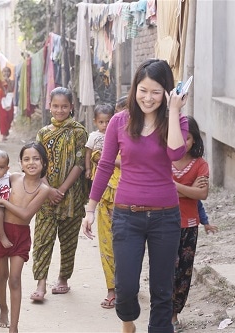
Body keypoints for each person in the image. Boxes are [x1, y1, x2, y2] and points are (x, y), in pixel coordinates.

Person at [82, 59, 189, 333]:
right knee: (126, 287)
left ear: (167, 92)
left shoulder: (178, 121)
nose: (148, 98)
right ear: (135, 89)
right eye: (143, 90)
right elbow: (104, 165)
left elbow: (176, 155)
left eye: (156, 92)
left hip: (165, 218)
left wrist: (174, 112)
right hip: (127, 216)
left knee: (162, 289)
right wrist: (90, 209)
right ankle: (128, 321)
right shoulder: (120, 120)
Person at [0, 142, 50, 333]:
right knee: (1, 275)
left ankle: (14, 326)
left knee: (14, 278)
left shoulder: (43, 189)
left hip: (20, 235)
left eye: (36, 159)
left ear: (43, 163)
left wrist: (2, 201)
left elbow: (26, 215)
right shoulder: (12, 178)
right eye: (26, 159)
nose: (31, 163)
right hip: (1, 230)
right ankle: (3, 309)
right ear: (20, 163)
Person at [30, 87, 89, 302]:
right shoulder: (43, 133)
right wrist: (48, 189)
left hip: (71, 196)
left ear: (72, 107)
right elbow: (36, 163)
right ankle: (41, 283)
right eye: (55, 106)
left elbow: (80, 164)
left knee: (68, 241)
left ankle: (63, 278)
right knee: (42, 240)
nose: (60, 110)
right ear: (50, 106)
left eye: (64, 106)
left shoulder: (79, 132)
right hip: (45, 197)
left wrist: (61, 190)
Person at [171, 116, 218, 332]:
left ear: (194, 139)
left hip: (189, 225)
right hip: (163, 223)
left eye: (187, 138)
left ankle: (173, 314)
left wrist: (172, 185)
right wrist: (188, 189)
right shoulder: (162, 159)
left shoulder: (200, 164)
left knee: (183, 272)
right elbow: (159, 188)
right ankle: (161, 312)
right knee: (165, 269)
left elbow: (203, 194)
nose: (182, 142)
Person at [84, 96, 127, 310]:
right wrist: (90, 209)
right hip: (106, 198)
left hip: (133, 201)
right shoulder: (103, 140)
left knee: (130, 248)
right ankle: (112, 289)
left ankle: (127, 288)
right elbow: (98, 164)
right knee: (107, 244)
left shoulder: (142, 140)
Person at [84, 104, 114, 181]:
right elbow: (88, 153)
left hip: (113, 171)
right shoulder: (93, 136)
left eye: (108, 121)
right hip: (97, 170)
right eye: (101, 122)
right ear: (95, 122)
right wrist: (88, 169)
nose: (105, 125)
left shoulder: (115, 135)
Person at [0, 66, 15, 141]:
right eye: (4, 71)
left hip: (10, 100)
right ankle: (3, 134)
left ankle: (6, 131)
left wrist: (8, 81)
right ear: (2, 73)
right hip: (3, 100)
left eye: (8, 71)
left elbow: (11, 89)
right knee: (3, 117)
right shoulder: (0, 81)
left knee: (10, 117)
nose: (6, 73)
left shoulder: (12, 81)